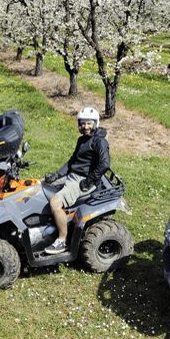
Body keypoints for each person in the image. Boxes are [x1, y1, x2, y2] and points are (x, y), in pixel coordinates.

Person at [42, 107, 110, 255]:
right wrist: (56, 175)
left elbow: (104, 164)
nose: (85, 127)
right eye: (83, 123)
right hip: (73, 175)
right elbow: (73, 161)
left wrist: (89, 181)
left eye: (89, 123)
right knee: (40, 186)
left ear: (95, 123)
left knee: (55, 202)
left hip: (82, 180)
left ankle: (62, 240)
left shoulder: (99, 142)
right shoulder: (82, 140)